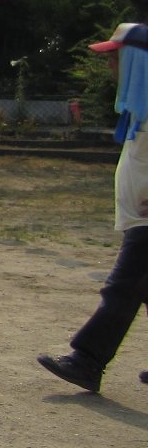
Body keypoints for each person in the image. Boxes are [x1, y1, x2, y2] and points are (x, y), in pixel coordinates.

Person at [38, 23, 148, 394]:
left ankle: (87, 361)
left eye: (116, 58)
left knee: (121, 289)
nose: (110, 65)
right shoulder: (141, 107)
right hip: (139, 219)